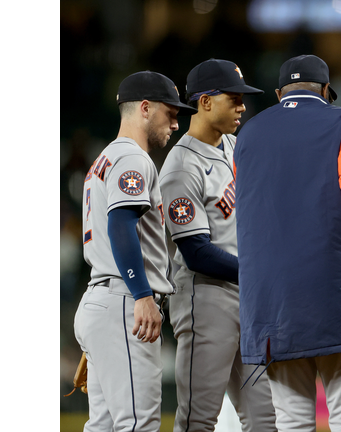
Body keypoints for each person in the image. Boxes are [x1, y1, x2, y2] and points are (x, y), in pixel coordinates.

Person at [233, 54, 341, 432]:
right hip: (335, 292)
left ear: (279, 94)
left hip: (270, 302)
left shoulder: (247, 134)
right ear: (326, 90)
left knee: (292, 423)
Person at [158, 59, 276, 432]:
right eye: (234, 98)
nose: (242, 106)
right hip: (207, 298)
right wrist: (259, 274)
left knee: (266, 418)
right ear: (206, 102)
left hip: (246, 296)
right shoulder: (182, 166)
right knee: (199, 419)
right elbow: (196, 252)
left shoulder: (236, 146)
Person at [74, 71, 196, 431]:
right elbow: (120, 226)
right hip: (124, 303)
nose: (175, 124)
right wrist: (142, 295)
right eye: (170, 113)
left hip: (104, 300)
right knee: (139, 423)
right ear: (145, 108)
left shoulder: (105, 158)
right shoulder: (132, 158)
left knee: (104, 425)